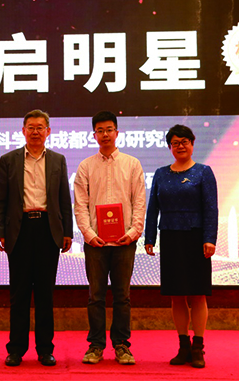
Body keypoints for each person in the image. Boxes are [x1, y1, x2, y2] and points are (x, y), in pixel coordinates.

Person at [0, 109, 73, 367]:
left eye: (40, 127)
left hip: (48, 230)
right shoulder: (9, 160)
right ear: (23, 131)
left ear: (48, 131)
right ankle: (16, 348)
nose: (35, 131)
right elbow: (0, 199)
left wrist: (68, 231)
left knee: (45, 294)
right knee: (19, 293)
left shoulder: (58, 160)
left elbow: (64, 198)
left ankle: (45, 349)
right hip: (20, 230)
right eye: (31, 127)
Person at [73, 111, 146, 365]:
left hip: (125, 241)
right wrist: (89, 234)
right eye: (100, 131)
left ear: (117, 132)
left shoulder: (132, 164)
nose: (105, 134)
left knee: (122, 296)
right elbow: (80, 205)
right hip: (96, 243)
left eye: (109, 130)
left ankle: (122, 345)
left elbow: (139, 201)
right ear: (94, 135)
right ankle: (95, 345)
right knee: (96, 296)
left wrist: (133, 232)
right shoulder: (85, 166)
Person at [144, 124, 218, 369]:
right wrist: (149, 238)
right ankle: (183, 345)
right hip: (170, 237)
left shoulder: (204, 172)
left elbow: (211, 208)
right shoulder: (161, 173)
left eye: (184, 141)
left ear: (192, 144)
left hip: (196, 238)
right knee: (176, 295)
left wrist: (210, 238)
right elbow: (153, 208)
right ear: (170, 147)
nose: (180, 146)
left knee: (197, 294)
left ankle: (198, 347)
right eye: (175, 143)